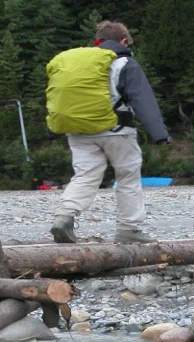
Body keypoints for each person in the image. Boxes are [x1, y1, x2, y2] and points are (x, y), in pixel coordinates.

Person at [50, 21, 171, 244]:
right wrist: (159, 134)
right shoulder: (125, 63)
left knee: (85, 175)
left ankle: (63, 217)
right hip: (117, 130)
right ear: (123, 41)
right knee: (127, 176)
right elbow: (142, 100)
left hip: (79, 130)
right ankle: (128, 230)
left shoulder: (78, 65)